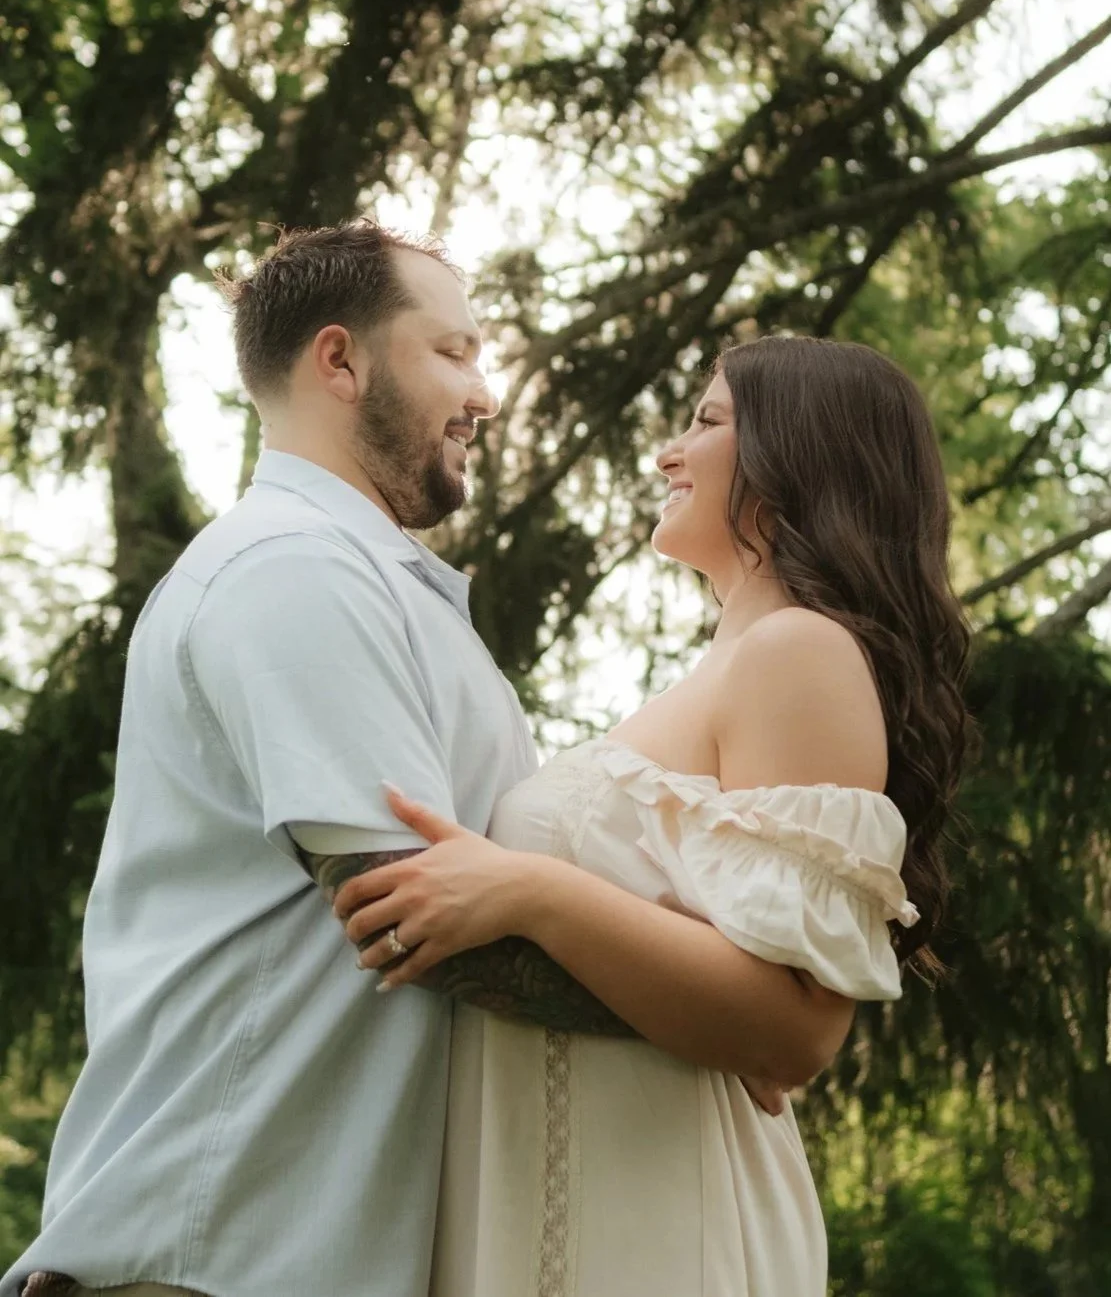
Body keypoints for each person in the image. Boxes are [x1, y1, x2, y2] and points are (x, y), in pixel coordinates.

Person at [5, 223, 839, 1297]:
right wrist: (729, 1021)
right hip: (213, 1254)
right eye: (453, 351)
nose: (484, 391)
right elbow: (415, 921)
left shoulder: (383, 588)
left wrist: (725, 1009)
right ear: (340, 360)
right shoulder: (292, 570)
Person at [333, 335, 973, 1297]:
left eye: (708, 422)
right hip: (561, 1196)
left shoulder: (799, 652)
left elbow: (794, 1031)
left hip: (668, 1218)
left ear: (801, 455)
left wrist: (530, 889)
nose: (668, 451)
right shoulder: (717, 676)